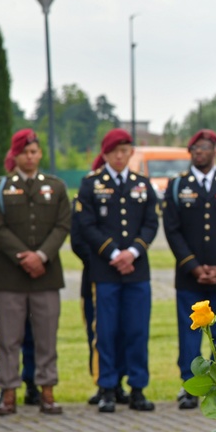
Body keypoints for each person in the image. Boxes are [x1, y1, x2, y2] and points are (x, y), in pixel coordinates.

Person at [0, 129, 71, 415]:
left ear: (40, 154)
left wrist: (41, 256)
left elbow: (62, 225)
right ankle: (8, 392)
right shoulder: (0, 187)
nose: (29, 157)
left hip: (46, 275)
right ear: (15, 155)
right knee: (8, 338)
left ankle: (47, 391)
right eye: (24, 152)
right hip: (11, 275)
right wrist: (24, 257)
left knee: (47, 336)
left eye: (34, 152)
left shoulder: (56, 188)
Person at [76, 129, 159, 412]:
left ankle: (137, 387)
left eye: (125, 151)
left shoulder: (142, 184)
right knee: (107, 331)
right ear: (106, 154)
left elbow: (151, 223)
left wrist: (133, 252)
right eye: (115, 152)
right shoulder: (91, 184)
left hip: (136, 270)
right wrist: (113, 253)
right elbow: (86, 225)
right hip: (106, 270)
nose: (121, 156)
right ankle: (107, 387)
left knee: (136, 329)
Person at [163, 129, 216, 409]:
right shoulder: (178, 186)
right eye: (195, 148)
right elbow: (172, 231)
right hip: (190, 278)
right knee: (189, 336)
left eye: (205, 147)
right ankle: (189, 387)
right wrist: (194, 267)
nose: (200, 152)